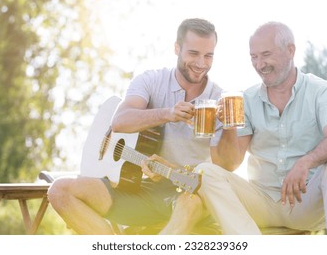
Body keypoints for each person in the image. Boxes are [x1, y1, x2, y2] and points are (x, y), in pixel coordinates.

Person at [47, 18, 235, 234]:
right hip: (138, 188)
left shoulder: (220, 100)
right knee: (59, 191)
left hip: (188, 192)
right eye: (193, 53)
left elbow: (225, 166)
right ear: (177, 48)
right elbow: (120, 121)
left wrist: (230, 126)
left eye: (208, 55)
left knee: (191, 203)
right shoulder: (151, 80)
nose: (201, 63)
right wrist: (168, 113)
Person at [195, 21, 327, 235]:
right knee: (205, 171)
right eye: (254, 57)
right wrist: (229, 126)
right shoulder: (247, 99)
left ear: (290, 50)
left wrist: (305, 162)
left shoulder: (322, 91)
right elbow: (230, 163)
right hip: (262, 201)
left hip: (306, 201)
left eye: (266, 54)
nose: (260, 64)